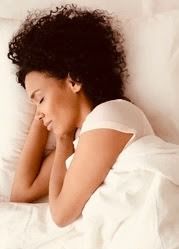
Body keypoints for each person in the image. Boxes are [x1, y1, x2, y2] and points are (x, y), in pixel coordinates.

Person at [7, 4, 154, 227]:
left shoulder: (111, 115)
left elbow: (61, 215)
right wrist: (63, 136)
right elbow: (20, 194)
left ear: (73, 80)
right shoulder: (80, 142)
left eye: (41, 99)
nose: (40, 115)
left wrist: (63, 137)